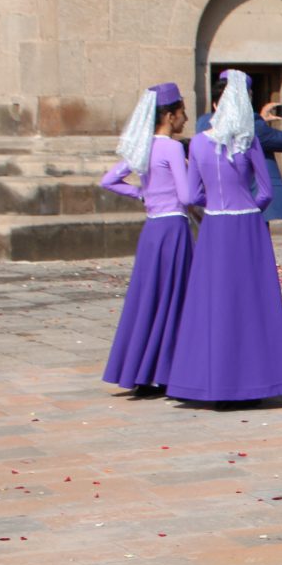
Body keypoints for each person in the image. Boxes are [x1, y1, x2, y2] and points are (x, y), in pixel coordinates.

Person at [166, 70, 282, 404]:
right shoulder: (248, 139)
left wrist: (215, 205)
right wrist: (248, 208)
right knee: (250, 303)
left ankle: (213, 381)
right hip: (247, 224)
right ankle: (255, 380)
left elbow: (192, 193)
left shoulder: (196, 142)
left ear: (215, 103)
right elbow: (265, 191)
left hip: (214, 226)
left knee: (214, 303)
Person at [100, 82, 197, 394]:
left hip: (152, 229)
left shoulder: (143, 146)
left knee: (149, 299)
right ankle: (166, 369)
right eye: (182, 114)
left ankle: (142, 369)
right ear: (169, 116)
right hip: (174, 228)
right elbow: (186, 194)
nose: (184, 120)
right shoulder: (171, 148)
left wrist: (142, 193)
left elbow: (109, 180)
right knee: (175, 298)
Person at [196, 75, 282, 226]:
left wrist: (260, 119)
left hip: (216, 206)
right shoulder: (252, 127)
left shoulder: (204, 123)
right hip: (248, 203)